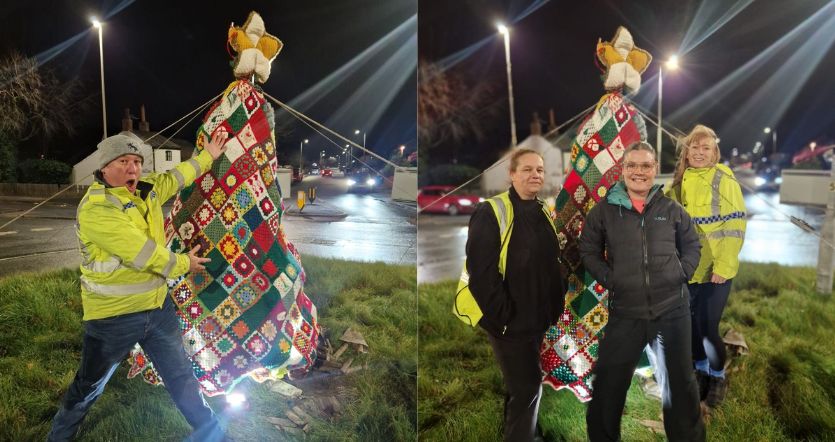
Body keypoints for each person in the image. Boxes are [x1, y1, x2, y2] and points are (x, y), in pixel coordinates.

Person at [48, 130, 229, 441]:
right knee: (89, 385)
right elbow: (143, 253)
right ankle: (59, 436)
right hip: (112, 318)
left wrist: (207, 156)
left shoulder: (149, 189)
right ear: (104, 167)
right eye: (122, 161)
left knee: (181, 376)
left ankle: (213, 433)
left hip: (157, 309)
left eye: (136, 161)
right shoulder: (97, 208)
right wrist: (185, 263)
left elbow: (177, 176)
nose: (132, 168)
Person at [580, 142, 704, 441]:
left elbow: (692, 245)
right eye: (632, 165)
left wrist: (680, 273)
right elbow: (588, 249)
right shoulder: (605, 211)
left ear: (654, 169)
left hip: (672, 309)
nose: (639, 171)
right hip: (626, 311)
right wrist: (612, 279)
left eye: (646, 165)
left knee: (680, 386)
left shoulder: (671, 208)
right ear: (622, 170)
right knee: (608, 385)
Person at [459, 148, 566, 441]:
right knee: (529, 386)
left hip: (537, 318)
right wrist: (504, 317)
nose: (535, 175)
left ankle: (523, 430)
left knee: (520, 386)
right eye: (527, 169)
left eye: (540, 170)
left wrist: (555, 301)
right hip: (510, 324)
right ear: (512, 174)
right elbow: (481, 274)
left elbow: (550, 260)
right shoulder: (491, 211)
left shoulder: (543, 209)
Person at [668, 124, 746, 408]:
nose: (699, 153)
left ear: (715, 153)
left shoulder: (724, 177)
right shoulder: (678, 183)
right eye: (694, 148)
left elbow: (736, 223)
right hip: (689, 267)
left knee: (708, 326)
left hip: (716, 268)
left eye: (706, 148)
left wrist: (724, 265)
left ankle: (717, 375)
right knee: (690, 325)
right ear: (686, 153)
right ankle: (699, 370)